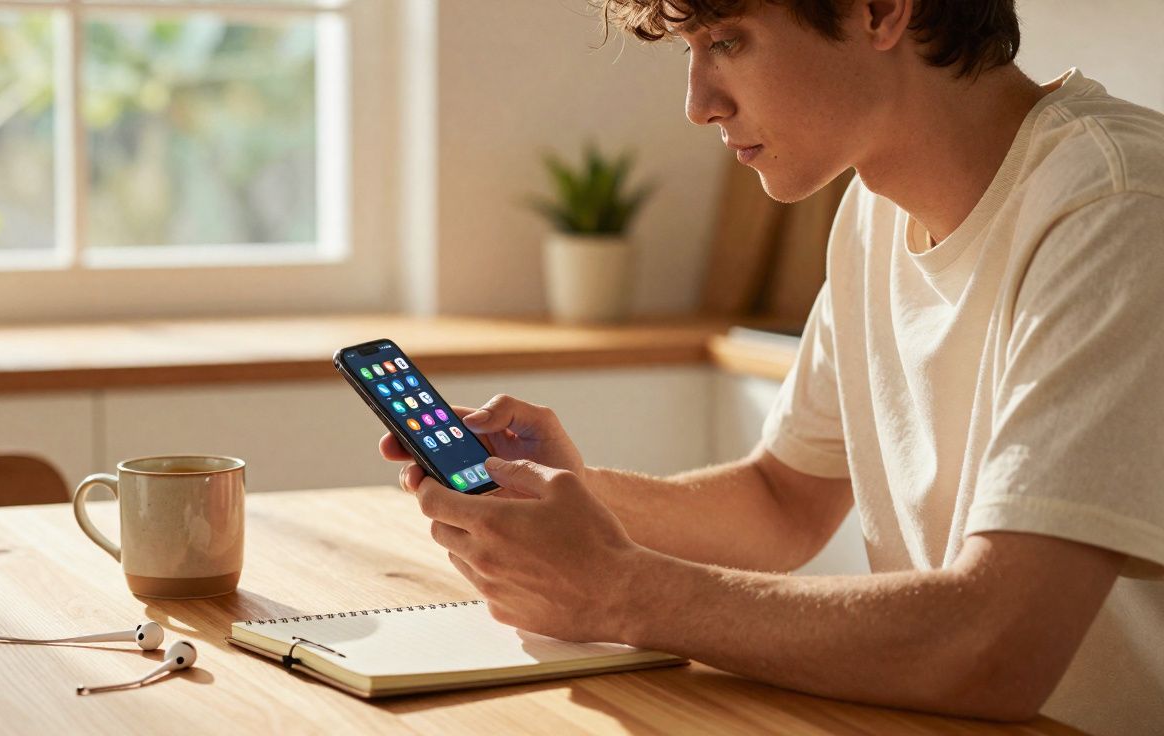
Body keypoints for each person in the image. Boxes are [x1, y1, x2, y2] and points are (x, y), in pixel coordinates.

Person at [379, 1, 1164, 733]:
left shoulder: (1118, 208)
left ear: (881, 10)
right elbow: (781, 502)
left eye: (727, 41)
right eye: (691, 51)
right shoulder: (874, 211)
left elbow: (995, 644)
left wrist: (618, 591)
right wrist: (569, 494)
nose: (698, 104)